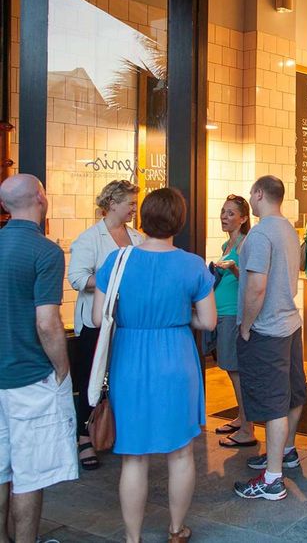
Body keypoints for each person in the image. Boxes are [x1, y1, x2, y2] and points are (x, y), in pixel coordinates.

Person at [93, 187, 217, 543]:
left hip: (129, 358)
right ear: (179, 220)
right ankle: (177, 530)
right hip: (176, 358)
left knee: (133, 456)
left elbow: (100, 318)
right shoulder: (192, 264)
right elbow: (208, 322)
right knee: (180, 453)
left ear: (143, 220)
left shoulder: (118, 261)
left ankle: (133, 538)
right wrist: (180, 317)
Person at [0, 174, 78, 543]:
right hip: (30, 379)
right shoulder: (45, 252)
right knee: (30, 475)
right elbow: (47, 324)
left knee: (0, 471)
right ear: (40, 198)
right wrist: (63, 372)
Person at [234, 175, 306, 501]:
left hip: (268, 329)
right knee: (292, 393)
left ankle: (273, 479)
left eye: (251, 192)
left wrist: (246, 325)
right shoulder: (289, 229)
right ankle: (285, 451)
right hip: (290, 323)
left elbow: (257, 286)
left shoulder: (261, 233)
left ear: (259, 193)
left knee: (274, 403)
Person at [68, 179, 143, 471]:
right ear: (112, 203)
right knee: (92, 377)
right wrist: (109, 283)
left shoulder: (137, 237)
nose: (134, 210)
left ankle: (115, 428)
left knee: (121, 375)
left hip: (127, 321)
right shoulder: (89, 239)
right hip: (96, 322)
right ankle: (84, 436)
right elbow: (77, 279)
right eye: (130, 204)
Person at [213, 194, 256, 448]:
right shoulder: (226, 245)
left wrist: (233, 269)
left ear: (243, 218)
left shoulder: (244, 244)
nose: (225, 217)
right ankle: (241, 418)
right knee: (230, 369)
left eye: (230, 213)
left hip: (232, 314)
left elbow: (251, 282)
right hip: (221, 314)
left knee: (235, 370)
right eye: (223, 211)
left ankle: (248, 428)